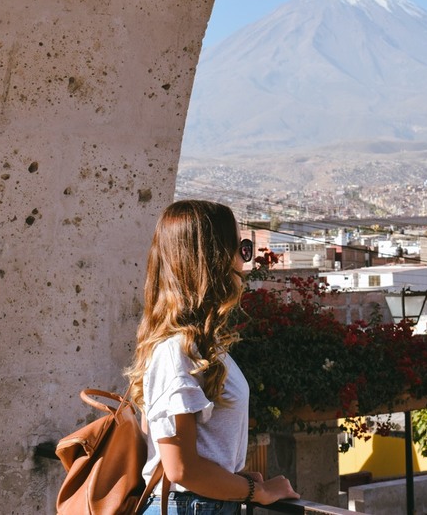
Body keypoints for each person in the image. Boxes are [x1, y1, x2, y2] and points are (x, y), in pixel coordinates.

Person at [126, 200, 300, 514]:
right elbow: (182, 469)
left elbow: (196, 455)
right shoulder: (175, 353)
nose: (244, 262)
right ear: (214, 260)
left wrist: (230, 480)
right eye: (240, 249)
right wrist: (256, 491)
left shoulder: (198, 348)